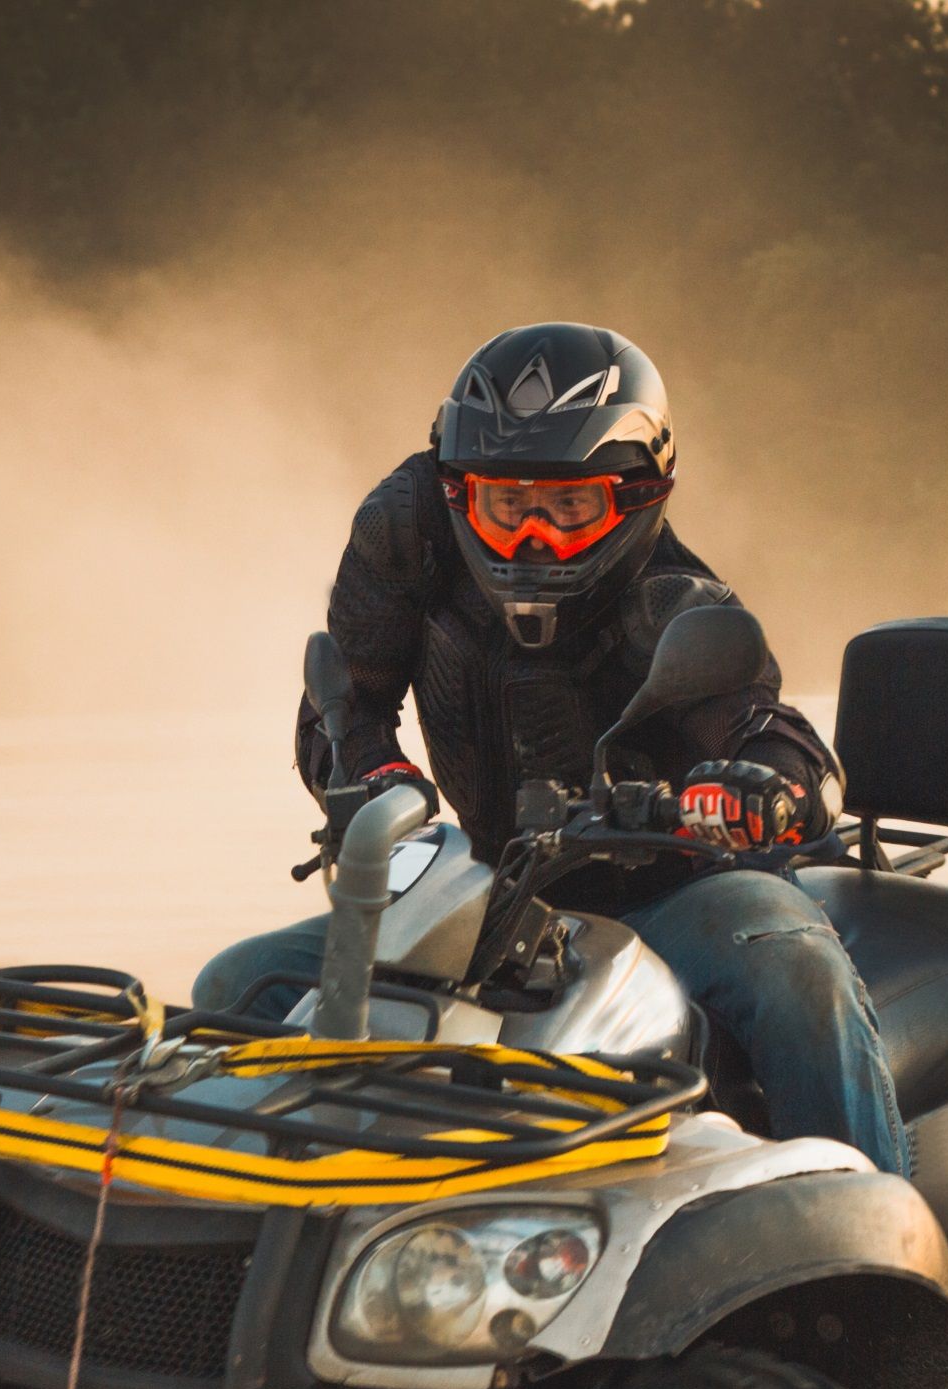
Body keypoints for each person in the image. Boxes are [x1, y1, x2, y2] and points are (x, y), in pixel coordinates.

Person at [192, 323, 910, 1175]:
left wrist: (763, 791)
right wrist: (376, 783)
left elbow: (785, 743)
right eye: (507, 505)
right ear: (460, 494)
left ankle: (881, 1220)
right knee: (236, 986)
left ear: (637, 495)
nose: (533, 537)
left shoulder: (679, 604)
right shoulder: (408, 532)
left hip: (676, 891)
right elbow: (339, 702)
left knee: (799, 977)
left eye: (569, 509)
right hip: (487, 885)